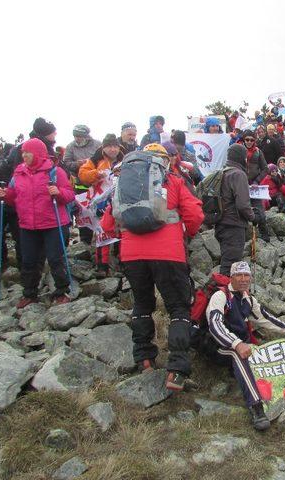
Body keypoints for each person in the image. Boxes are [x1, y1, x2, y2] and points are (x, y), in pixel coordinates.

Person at [100, 143, 204, 390]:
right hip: (168, 253)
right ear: (163, 161)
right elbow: (195, 215)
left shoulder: (124, 184)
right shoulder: (174, 181)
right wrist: (187, 233)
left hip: (132, 255)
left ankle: (145, 358)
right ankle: (177, 369)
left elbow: (106, 224)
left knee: (142, 305)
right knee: (179, 308)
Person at [206, 261, 285, 430]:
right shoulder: (220, 296)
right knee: (237, 354)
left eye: (247, 276)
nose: (244, 279)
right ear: (232, 277)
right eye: (239, 275)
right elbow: (214, 324)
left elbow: (266, 319)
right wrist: (236, 344)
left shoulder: (249, 299)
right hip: (218, 346)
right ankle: (256, 406)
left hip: (240, 344)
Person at [0, 138, 75, 308]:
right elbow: (14, 196)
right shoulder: (18, 172)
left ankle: (62, 291)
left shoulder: (55, 171)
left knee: (55, 259)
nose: (24, 155)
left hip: (53, 223)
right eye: (23, 152)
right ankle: (29, 293)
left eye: (27, 152)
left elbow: (70, 195)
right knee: (29, 260)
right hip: (27, 224)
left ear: (38, 153)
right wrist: (4, 194)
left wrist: (58, 192)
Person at [78, 134, 124, 261]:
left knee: (121, 229)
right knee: (102, 230)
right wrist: (96, 174)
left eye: (115, 146)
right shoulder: (95, 159)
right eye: (109, 146)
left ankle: (121, 260)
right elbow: (82, 175)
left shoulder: (124, 159)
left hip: (119, 199)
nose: (113, 149)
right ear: (103, 147)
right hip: (101, 202)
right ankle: (102, 264)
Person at [215, 144, 258, 275]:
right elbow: (242, 205)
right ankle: (224, 293)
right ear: (241, 157)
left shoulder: (222, 172)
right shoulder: (238, 174)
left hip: (221, 224)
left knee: (227, 262)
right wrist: (253, 217)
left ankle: (225, 292)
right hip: (234, 225)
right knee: (230, 266)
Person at [241, 130, 270, 242]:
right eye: (247, 139)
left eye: (252, 140)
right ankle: (242, 235)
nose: (249, 142)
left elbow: (265, 169)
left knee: (260, 211)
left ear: (254, 141)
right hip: (241, 185)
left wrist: (257, 181)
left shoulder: (258, 152)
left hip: (254, 187)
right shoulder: (238, 150)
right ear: (244, 140)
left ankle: (264, 233)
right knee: (240, 210)